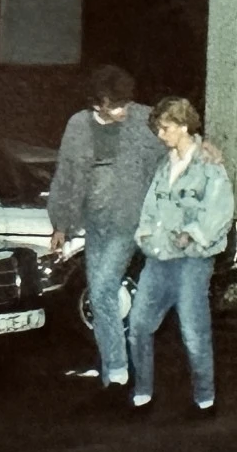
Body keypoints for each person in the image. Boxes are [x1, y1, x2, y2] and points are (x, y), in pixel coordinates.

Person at [47, 65, 218, 398]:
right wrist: (61, 225)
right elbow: (66, 176)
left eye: (125, 102)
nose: (122, 111)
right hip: (95, 221)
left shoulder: (142, 120)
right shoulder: (78, 126)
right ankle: (114, 364)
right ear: (96, 104)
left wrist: (202, 146)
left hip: (131, 220)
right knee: (101, 295)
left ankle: (117, 368)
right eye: (114, 106)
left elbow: (175, 136)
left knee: (102, 288)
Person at [126, 96, 233, 417]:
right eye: (158, 128)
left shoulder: (209, 166)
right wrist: (144, 235)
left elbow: (221, 211)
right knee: (138, 325)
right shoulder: (164, 164)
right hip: (159, 257)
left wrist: (193, 234)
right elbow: (150, 206)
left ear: (184, 126)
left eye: (166, 128)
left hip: (192, 261)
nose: (160, 134)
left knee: (193, 330)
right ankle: (142, 390)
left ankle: (204, 397)